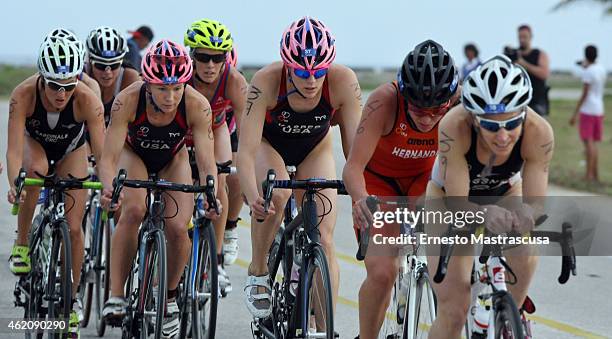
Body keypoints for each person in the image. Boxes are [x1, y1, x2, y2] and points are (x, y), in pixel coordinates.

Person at [237, 16, 361, 319]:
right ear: (287, 66)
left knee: (325, 237)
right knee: (275, 196)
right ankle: (258, 271)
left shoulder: (343, 81)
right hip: (270, 146)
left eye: (318, 71)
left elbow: (356, 154)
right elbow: (247, 150)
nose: (310, 80)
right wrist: (253, 195)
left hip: (313, 149)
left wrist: (361, 192)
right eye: (301, 72)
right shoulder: (265, 82)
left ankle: (323, 325)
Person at [426, 55, 554, 338]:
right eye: (492, 126)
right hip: (449, 196)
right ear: (473, 119)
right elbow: (458, 203)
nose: (503, 136)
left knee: (525, 246)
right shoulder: (453, 126)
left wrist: (524, 218)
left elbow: (534, 203)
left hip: (505, 190)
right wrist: (483, 214)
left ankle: (511, 316)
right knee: (454, 310)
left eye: (511, 124)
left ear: (523, 114)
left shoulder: (539, 132)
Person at [99, 39, 219, 338]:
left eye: (177, 88)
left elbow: (205, 162)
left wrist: (211, 192)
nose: (171, 96)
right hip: (134, 154)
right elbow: (108, 159)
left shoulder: (196, 104)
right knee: (134, 210)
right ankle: (116, 294)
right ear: (148, 84)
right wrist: (107, 189)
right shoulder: (127, 100)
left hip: (173, 158)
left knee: (178, 227)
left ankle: (169, 296)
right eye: (163, 89)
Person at [343, 40, 459, 339]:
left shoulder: (461, 104)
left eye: (437, 110)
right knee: (383, 272)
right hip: (380, 183)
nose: (428, 118)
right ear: (405, 96)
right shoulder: (384, 101)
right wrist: (359, 200)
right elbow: (353, 166)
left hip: (424, 181)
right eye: (419, 110)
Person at [6, 32, 106, 338]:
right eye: (53, 86)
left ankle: (69, 304)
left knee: (75, 229)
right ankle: (23, 244)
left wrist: (107, 189)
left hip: (71, 150)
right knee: (33, 172)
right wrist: (15, 184)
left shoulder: (88, 99)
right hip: (34, 146)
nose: (61, 93)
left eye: (68, 85)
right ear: (41, 79)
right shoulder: (22, 95)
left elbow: (102, 156)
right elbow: (12, 152)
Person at [183, 18, 248, 293]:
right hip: (181, 131)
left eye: (217, 58)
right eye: (203, 57)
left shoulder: (234, 80)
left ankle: (217, 259)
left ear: (226, 58)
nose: (210, 65)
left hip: (216, 127)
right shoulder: (181, 75)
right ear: (192, 56)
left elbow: (248, 134)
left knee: (220, 180)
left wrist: (250, 172)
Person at [85, 26, 140, 128]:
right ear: (90, 61)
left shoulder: (131, 78)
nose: (108, 72)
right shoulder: (82, 76)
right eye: (101, 65)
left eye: (114, 65)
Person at [570, 45, 607, 183]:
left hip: (588, 110)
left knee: (588, 143)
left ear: (585, 55)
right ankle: (595, 174)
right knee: (594, 144)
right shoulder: (601, 69)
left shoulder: (588, 72)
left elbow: (585, 93)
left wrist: (575, 113)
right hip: (599, 109)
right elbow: (592, 71)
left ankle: (588, 175)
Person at [505, 24, 550, 117]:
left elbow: (544, 74)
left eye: (525, 37)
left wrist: (523, 63)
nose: (522, 40)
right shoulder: (514, 54)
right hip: (518, 101)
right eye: (520, 37)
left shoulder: (539, 54)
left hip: (537, 102)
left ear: (531, 37)